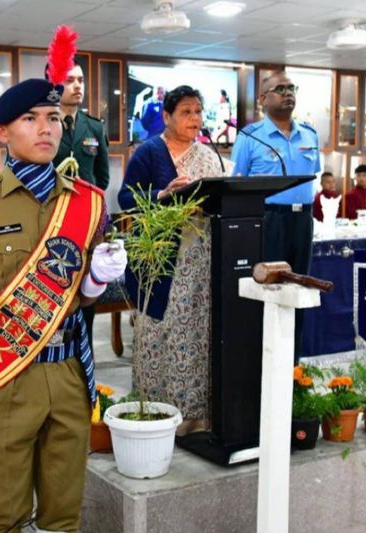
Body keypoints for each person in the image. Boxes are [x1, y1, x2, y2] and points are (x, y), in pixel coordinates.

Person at [0, 69, 126, 531]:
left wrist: (97, 279)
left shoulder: (87, 203)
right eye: (30, 118)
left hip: (68, 373)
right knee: (5, 515)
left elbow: (81, 298)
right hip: (6, 376)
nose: (46, 129)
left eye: (53, 118)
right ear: (2, 132)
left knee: (64, 515)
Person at [118, 85, 231, 434]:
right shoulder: (149, 152)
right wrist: (162, 195)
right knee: (160, 334)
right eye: (185, 112)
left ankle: (197, 418)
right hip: (162, 262)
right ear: (166, 116)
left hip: (202, 262)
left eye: (198, 111)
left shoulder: (209, 156)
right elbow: (126, 199)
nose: (194, 118)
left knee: (198, 335)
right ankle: (158, 416)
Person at [230, 71, 320, 360]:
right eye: (280, 89)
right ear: (262, 99)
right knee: (268, 290)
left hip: (302, 221)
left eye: (291, 88)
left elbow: (313, 177)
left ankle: (292, 364)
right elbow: (236, 182)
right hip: (268, 221)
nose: (288, 93)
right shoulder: (250, 137)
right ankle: (261, 361)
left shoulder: (309, 134)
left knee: (299, 288)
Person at [52, 60, 110, 350]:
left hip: (85, 226)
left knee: (85, 291)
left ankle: (84, 357)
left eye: (80, 80)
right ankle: (54, 354)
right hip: (50, 223)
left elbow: (102, 178)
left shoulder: (93, 127)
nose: (77, 86)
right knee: (54, 288)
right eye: (69, 80)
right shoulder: (45, 123)